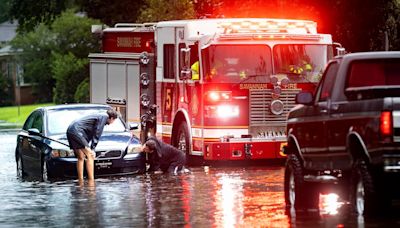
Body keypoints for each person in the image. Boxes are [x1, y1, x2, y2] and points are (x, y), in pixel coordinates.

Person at [67, 108, 119, 180]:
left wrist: (89, 147)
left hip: (71, 130)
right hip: (77, 131)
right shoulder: (104, 117)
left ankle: (80, 181)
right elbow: (97, 132)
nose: (112, 123)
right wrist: (93, 149)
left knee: (81, 157)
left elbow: (90, 133)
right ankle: (91, 182)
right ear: (112, 118)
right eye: (114, 120)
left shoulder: (99, 115)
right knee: (90, 155)